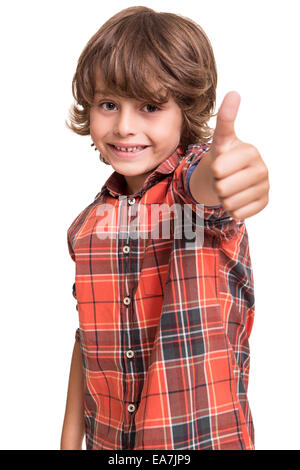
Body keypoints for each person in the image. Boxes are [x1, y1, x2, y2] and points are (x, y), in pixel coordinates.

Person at [60, 6, 269, 451]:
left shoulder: (191, 190)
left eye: (151, 106)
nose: (124, 126)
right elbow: (87, 341)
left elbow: (207, 184)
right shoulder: (85, 229)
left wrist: (232, 172)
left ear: (185, 112)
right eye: (109, 104)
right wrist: (68, 440)